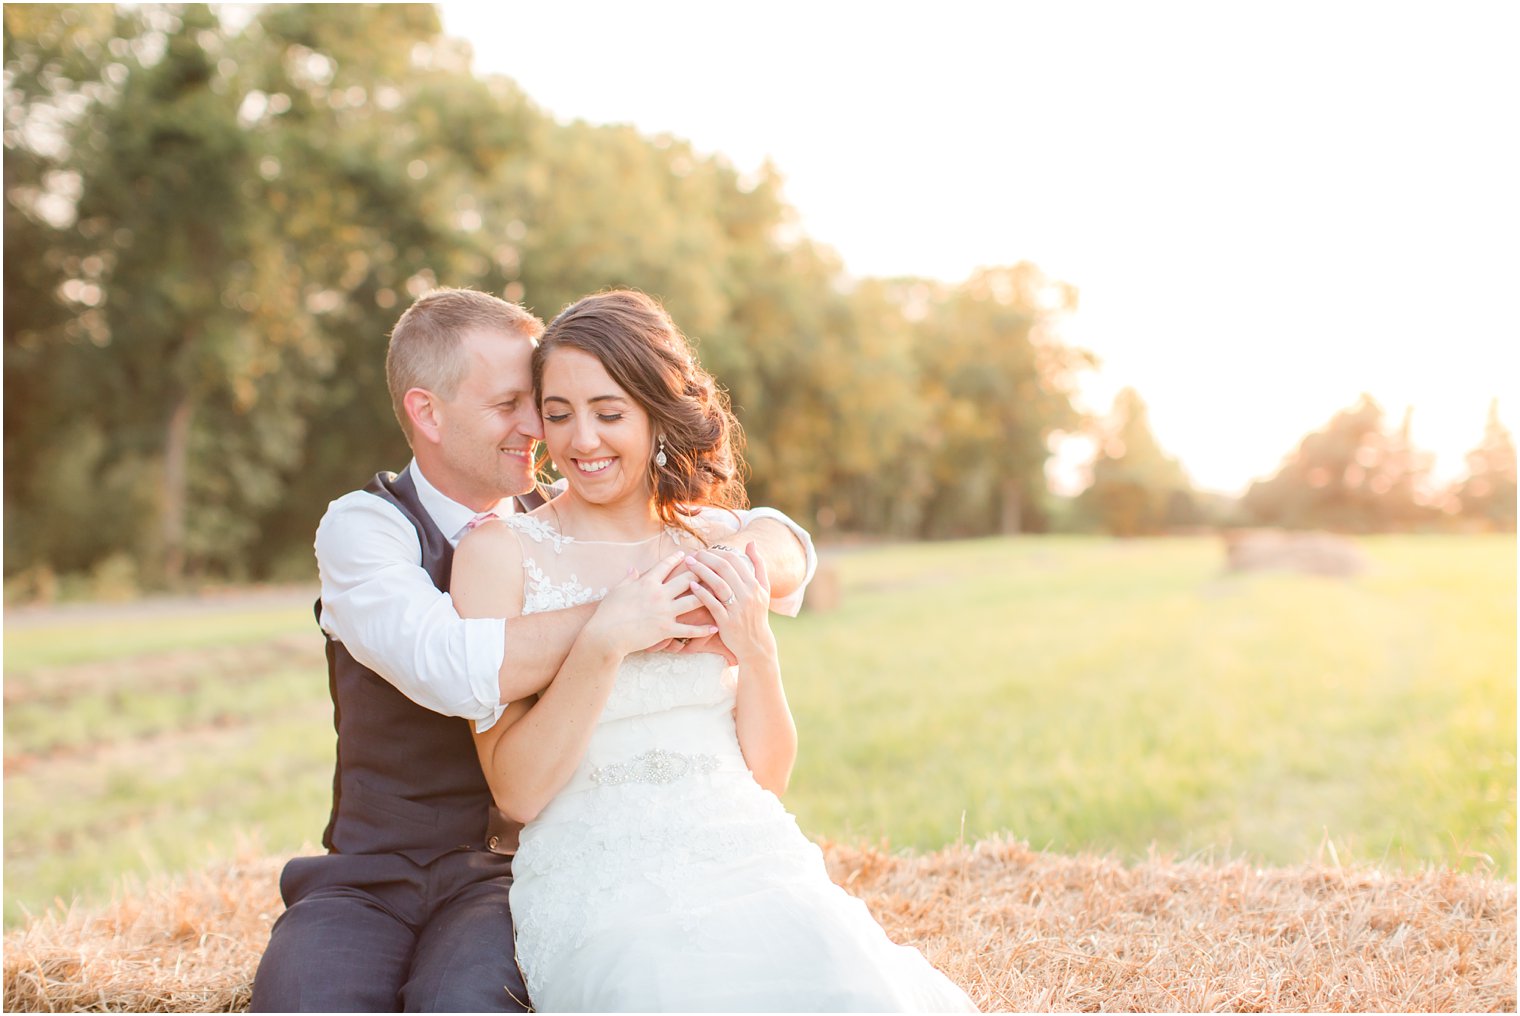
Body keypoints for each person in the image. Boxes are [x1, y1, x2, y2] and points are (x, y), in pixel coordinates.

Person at [250, 288, 816, 1012]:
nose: (544, 431)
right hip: (373, 871)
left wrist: (727, 568)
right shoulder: (368, 528)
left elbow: (779, 535)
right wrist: (630, 611)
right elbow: (453, 667)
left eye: (541, 405)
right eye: (517, 406)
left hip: (504, 875)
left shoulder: (569, 519)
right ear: (428, 412)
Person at [453, 290, 976, 1012]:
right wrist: (603, 642)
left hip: (746, 848)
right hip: (600, 881)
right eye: (558, 413)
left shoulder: (713, 541)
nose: (582, 441)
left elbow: (769, 778)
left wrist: (757, 650)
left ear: (655, 413)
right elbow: (516, 793)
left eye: (609, 413)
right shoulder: (497, 554)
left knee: (846, 982)